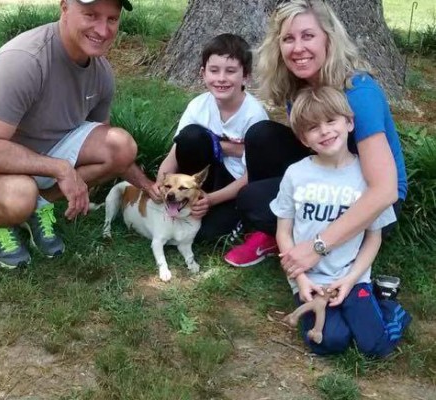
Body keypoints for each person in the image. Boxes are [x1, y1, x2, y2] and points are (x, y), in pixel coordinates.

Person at [0, 0, 154, 269]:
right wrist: (61, 169)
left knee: (120, 145)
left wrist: (147, 185)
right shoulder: (25, 60)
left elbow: (100, 138)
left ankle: (39, 205)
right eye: (90, 15)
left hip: (39, 149)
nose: (102, 30)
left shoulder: (101, 74)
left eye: (111, 19)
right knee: (19, 195)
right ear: (64, 8)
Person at [224, 0, 407, 271]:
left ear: (328, 40)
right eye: (288, 39)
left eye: (308, 36)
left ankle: (295, 235)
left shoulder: (359, 93)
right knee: (261, 136)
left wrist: (318, 245)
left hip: (373, 196)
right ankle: (276, 233)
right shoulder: (299, 89)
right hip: (331, 167)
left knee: (255, 203)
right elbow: (313, 150)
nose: (298, 48)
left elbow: (385, 190)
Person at [271, 86, 411, 356]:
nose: (324, 131)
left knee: (376, 346)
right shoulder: (295, 174)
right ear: (303, 138)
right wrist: (300, 280)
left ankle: (388, 306)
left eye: (331, 121)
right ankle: (348, 317)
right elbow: (283, 232)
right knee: (328, 342)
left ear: (349, 122)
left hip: (351, 277)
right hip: (310, 281)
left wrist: (350, 280)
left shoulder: (368, 178)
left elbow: (373, 237)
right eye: (313, 127)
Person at [147, 33, 270, 242]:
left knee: (207, 236)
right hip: (200, 176)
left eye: (230, 71)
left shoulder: (254, 115)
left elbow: (251, 176)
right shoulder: (198, 106)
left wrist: (209, 200)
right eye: (214, 70)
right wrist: (161, 182)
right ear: (203, 73)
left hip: (234, 182)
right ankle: (185, 200)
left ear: (246, 76)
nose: (221, 78)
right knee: (191, 136)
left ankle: (232, 217)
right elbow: (175, 153)